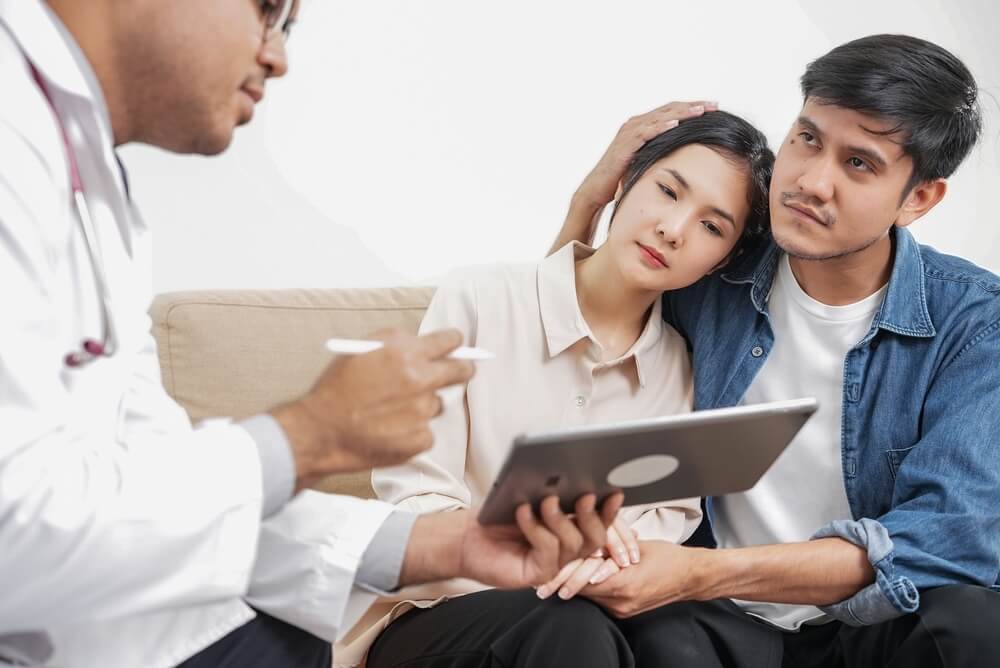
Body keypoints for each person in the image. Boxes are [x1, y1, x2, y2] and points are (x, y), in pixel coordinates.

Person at [0, 1, 620, 666]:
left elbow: (153, 477)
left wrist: (442, 545)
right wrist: (307, 437)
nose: (278, 56)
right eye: (267, 11)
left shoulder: (86, 177)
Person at [545, 34, 1000, 667]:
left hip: (867, 628)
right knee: (638, 632)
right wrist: (589, 201)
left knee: (972, 625)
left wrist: (700, 573)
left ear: (919, 198)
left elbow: (951, 538)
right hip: (711, 625)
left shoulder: (977, 324)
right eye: (808, 138)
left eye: (859, 163)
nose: (811, 181)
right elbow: (563, 346)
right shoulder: (714, 264)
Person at [358, 110, 775, 668]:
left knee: (673, 639)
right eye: (668, 191)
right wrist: (540, 554)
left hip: (583, 619)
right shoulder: (480, 299)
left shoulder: (680, 372)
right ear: (625, 183)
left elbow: (661, 529)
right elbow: (414, 492)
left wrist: (599, 561)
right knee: (569, 628)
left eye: (711, 227)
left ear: (719, 262)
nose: (673, 229)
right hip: (431, 616)